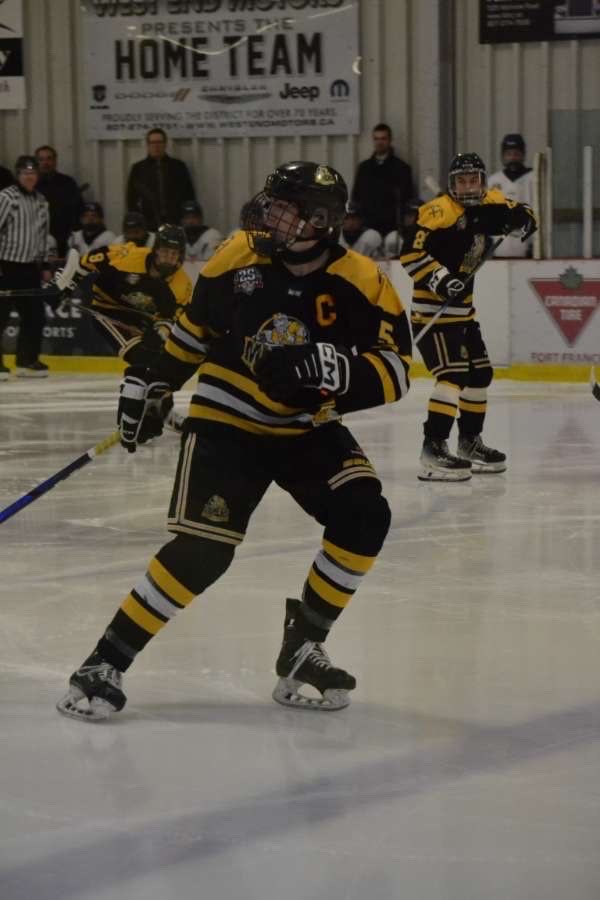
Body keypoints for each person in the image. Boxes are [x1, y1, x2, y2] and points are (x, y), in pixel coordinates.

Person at [56, 160, 412, 722]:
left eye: (283, 209)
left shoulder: (362, 281)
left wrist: (331, 366)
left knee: (365, 516)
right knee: (204, 551)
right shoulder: (237, 255)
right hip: (228, 418)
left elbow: (395, 369)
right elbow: (191, 333)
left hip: (305, 426)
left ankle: (303, 646)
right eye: (271, 203)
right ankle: (104, 662)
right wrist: (154, 385)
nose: (266, 215)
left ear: (319, 222)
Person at [400, 152, 536, 481]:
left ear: (482, 180)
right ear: (452, 184)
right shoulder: (437, 212)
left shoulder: (491, 202)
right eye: (461, 180)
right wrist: (441, 280)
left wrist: (524, 221)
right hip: (433, 314)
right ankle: (433, 447)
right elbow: (410, 253)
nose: (468, 186)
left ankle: (469, 443)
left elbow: (522, 212)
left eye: (473, 179)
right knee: (453, 375)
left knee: (479, 375)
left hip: (463, 314)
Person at [55, 224, 192, 369]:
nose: (168, 257)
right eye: (165, 251)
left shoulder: (182, 285)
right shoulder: (130, 257)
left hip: (141, 318)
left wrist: (160, 334)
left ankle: (144, 383)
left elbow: (171, 317)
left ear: (181, 255)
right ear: (156, 249)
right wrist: (67, 283)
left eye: (174, 253)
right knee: (140, 356)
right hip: (109, 309)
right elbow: (86, 261)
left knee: (158, 360)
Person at [0, 155, 50, 380]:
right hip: (6, 265)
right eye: (25, 173)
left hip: (30, 267)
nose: (29, 177)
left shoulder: (41, 200)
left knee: (35, 315)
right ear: (18, 175)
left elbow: (43, 235)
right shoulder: (7, 197)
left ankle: (27, 361)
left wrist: (45, 264)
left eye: (33, 173)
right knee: (1, 315)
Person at [351, 123, 415, 241]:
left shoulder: (402, 169)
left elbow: (408, 199)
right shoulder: (364, 168)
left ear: (390, 140)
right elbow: (356, 197)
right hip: (368, 227)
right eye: (376, 139)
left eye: (383, 139)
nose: (379, 142)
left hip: (394, 228)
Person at [126, 128, 196, 230]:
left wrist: (186, 217)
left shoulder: (178, 167)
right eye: (152, 142)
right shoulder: (138, 169)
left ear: (165, 144)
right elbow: (131, 199)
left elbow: (189, 194)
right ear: (148, 145)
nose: (156, 146)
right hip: (148, 223)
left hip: (176, 222)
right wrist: (139, 220)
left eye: (159, 142)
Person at [488, 134, 535, 258]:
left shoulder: (534, 178)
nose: (513, 158)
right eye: (509, 154)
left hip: (527, 248)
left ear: (523, 155)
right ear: (503, 156)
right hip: (500, 249)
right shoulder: (493, 181)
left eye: (516, 154)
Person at [35, 145, 83, 258]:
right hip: (37, 239)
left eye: (49, 158)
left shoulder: (68, 183)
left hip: (64, 237)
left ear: (55, 161)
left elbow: (78, 211)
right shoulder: (31, 185)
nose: (45, 163)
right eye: (41, 159)